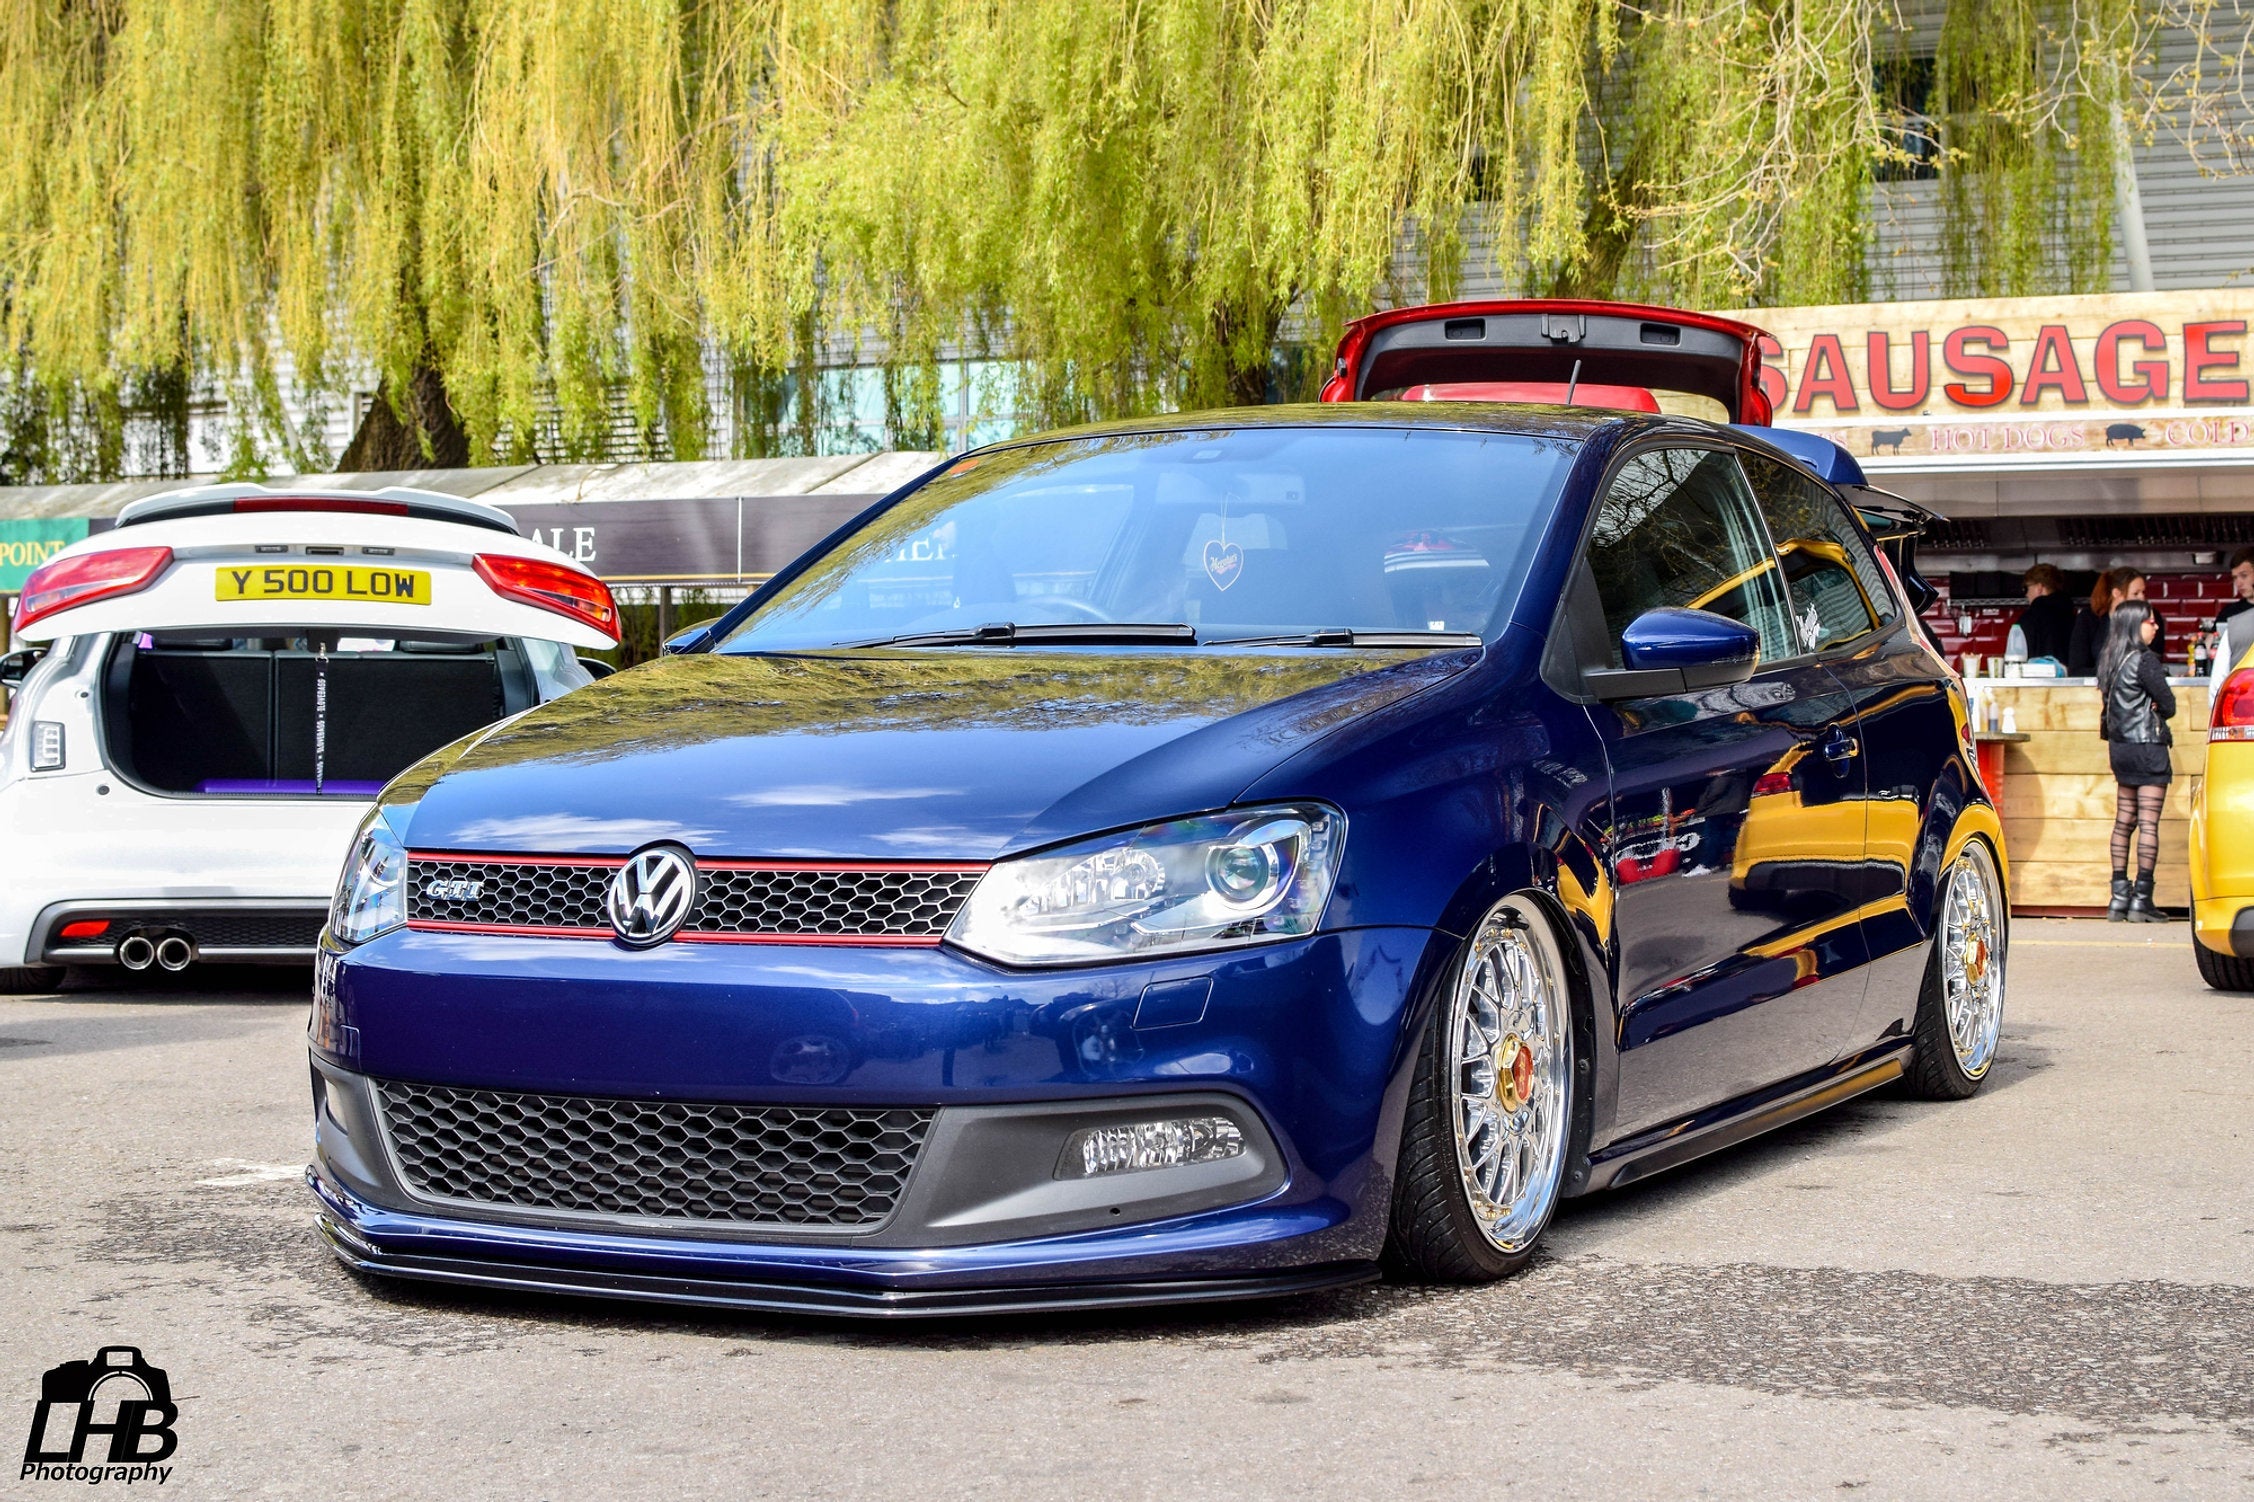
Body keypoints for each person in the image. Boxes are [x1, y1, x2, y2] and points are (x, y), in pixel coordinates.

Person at [2098, 598, 2175, 922]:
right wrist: (2158, 707)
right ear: (2134, 625)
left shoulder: (2110, 660)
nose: (2155, 626)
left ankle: (2118, 898)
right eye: (2150, 621)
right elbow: (2168, 705)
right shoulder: (2145, 660)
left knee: (2123, 820)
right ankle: (2141, 900)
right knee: (2148, 823)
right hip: (2148, 749)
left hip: (2121, 750)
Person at [2069, 567, 2165, 676]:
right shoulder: (2089, 619)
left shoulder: (2150, 618)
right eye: (2135, 593)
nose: (2142, 597)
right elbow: (2076, 668)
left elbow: (2155, 661)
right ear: (2116, 593)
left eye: (2143, 592)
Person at [2013, 563, 2075, 663]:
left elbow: (2017, 659)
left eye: (2026, 588)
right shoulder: (2073, 616)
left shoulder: (2029, 618)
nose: (2026, 594)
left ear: (2039, 588)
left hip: (2037, 677)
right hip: (2068, 677)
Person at [2216, 546, 2254, 630]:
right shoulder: (2229, 612)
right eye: (2235, 578)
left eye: (2244, 576)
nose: (2238, 583)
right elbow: (2213, 640)